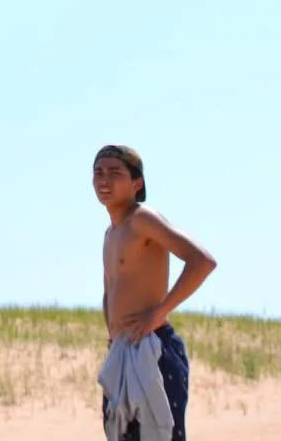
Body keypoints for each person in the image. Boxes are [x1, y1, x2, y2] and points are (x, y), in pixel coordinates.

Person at [93, 144, 217, 441]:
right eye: (98, 173)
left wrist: (157, 314)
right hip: (122, 354)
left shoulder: (143, 219)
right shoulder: (110, 233)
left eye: (114, 172)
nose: (104, 180)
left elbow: (202, 261)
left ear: (137, 183)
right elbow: (110, 291)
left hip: (153, 349)